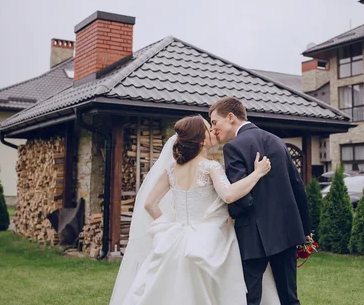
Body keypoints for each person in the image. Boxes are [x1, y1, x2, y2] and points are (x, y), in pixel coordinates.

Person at [110, 115, 280, 304]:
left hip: (176, 238)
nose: (213, 131)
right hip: (211, 239)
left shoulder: (171, 169)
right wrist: (257, 173)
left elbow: (149, 204)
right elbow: (229, 195)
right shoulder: (210, 167)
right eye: (209, 129)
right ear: (200, 140)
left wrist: (168, 226)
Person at [209, 97, 311, 305]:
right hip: (286, 232)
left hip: (253, 235)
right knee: (289, 298)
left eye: (214, 122)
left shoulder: (234, 147)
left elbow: (242, 199)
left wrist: (230, 213)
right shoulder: (276, 141)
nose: (214, 128)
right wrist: (305, 228)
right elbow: (297, 187)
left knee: (250, 298)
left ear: (230, 117)